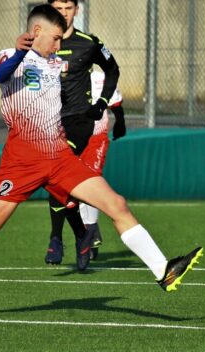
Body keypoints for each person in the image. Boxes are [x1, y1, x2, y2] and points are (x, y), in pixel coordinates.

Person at [0, 4, 202, 293]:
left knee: (117, 205)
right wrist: (22, 51)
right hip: (21, 163)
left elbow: (96, 67)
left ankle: (163, 270)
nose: (59, 44)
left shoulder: (56, 64)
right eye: (56, 37)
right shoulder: (11, 57)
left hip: (61, 158)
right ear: (36, 31)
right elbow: (0, 76)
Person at [43, 0, 125, 270]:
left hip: (79, 122)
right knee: (59, 182)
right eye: (58, 8)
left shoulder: (88, 42)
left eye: (68, 8)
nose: (64, 13)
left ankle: (57, 237)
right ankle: (82, 234)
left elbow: (112, 69)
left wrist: (102, 103)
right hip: (46, 122)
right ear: (49, 9)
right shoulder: (40, 44)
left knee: (57, 176)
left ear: (76, 10)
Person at [75, 70, 126, 270]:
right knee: (73, 186)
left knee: (91, 179)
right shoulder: (59, 75)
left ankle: (90, 230)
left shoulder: (99, 78)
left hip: (96, 139)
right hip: (70, 138)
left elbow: (116, 103)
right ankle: (86, 228)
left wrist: (120, 123)